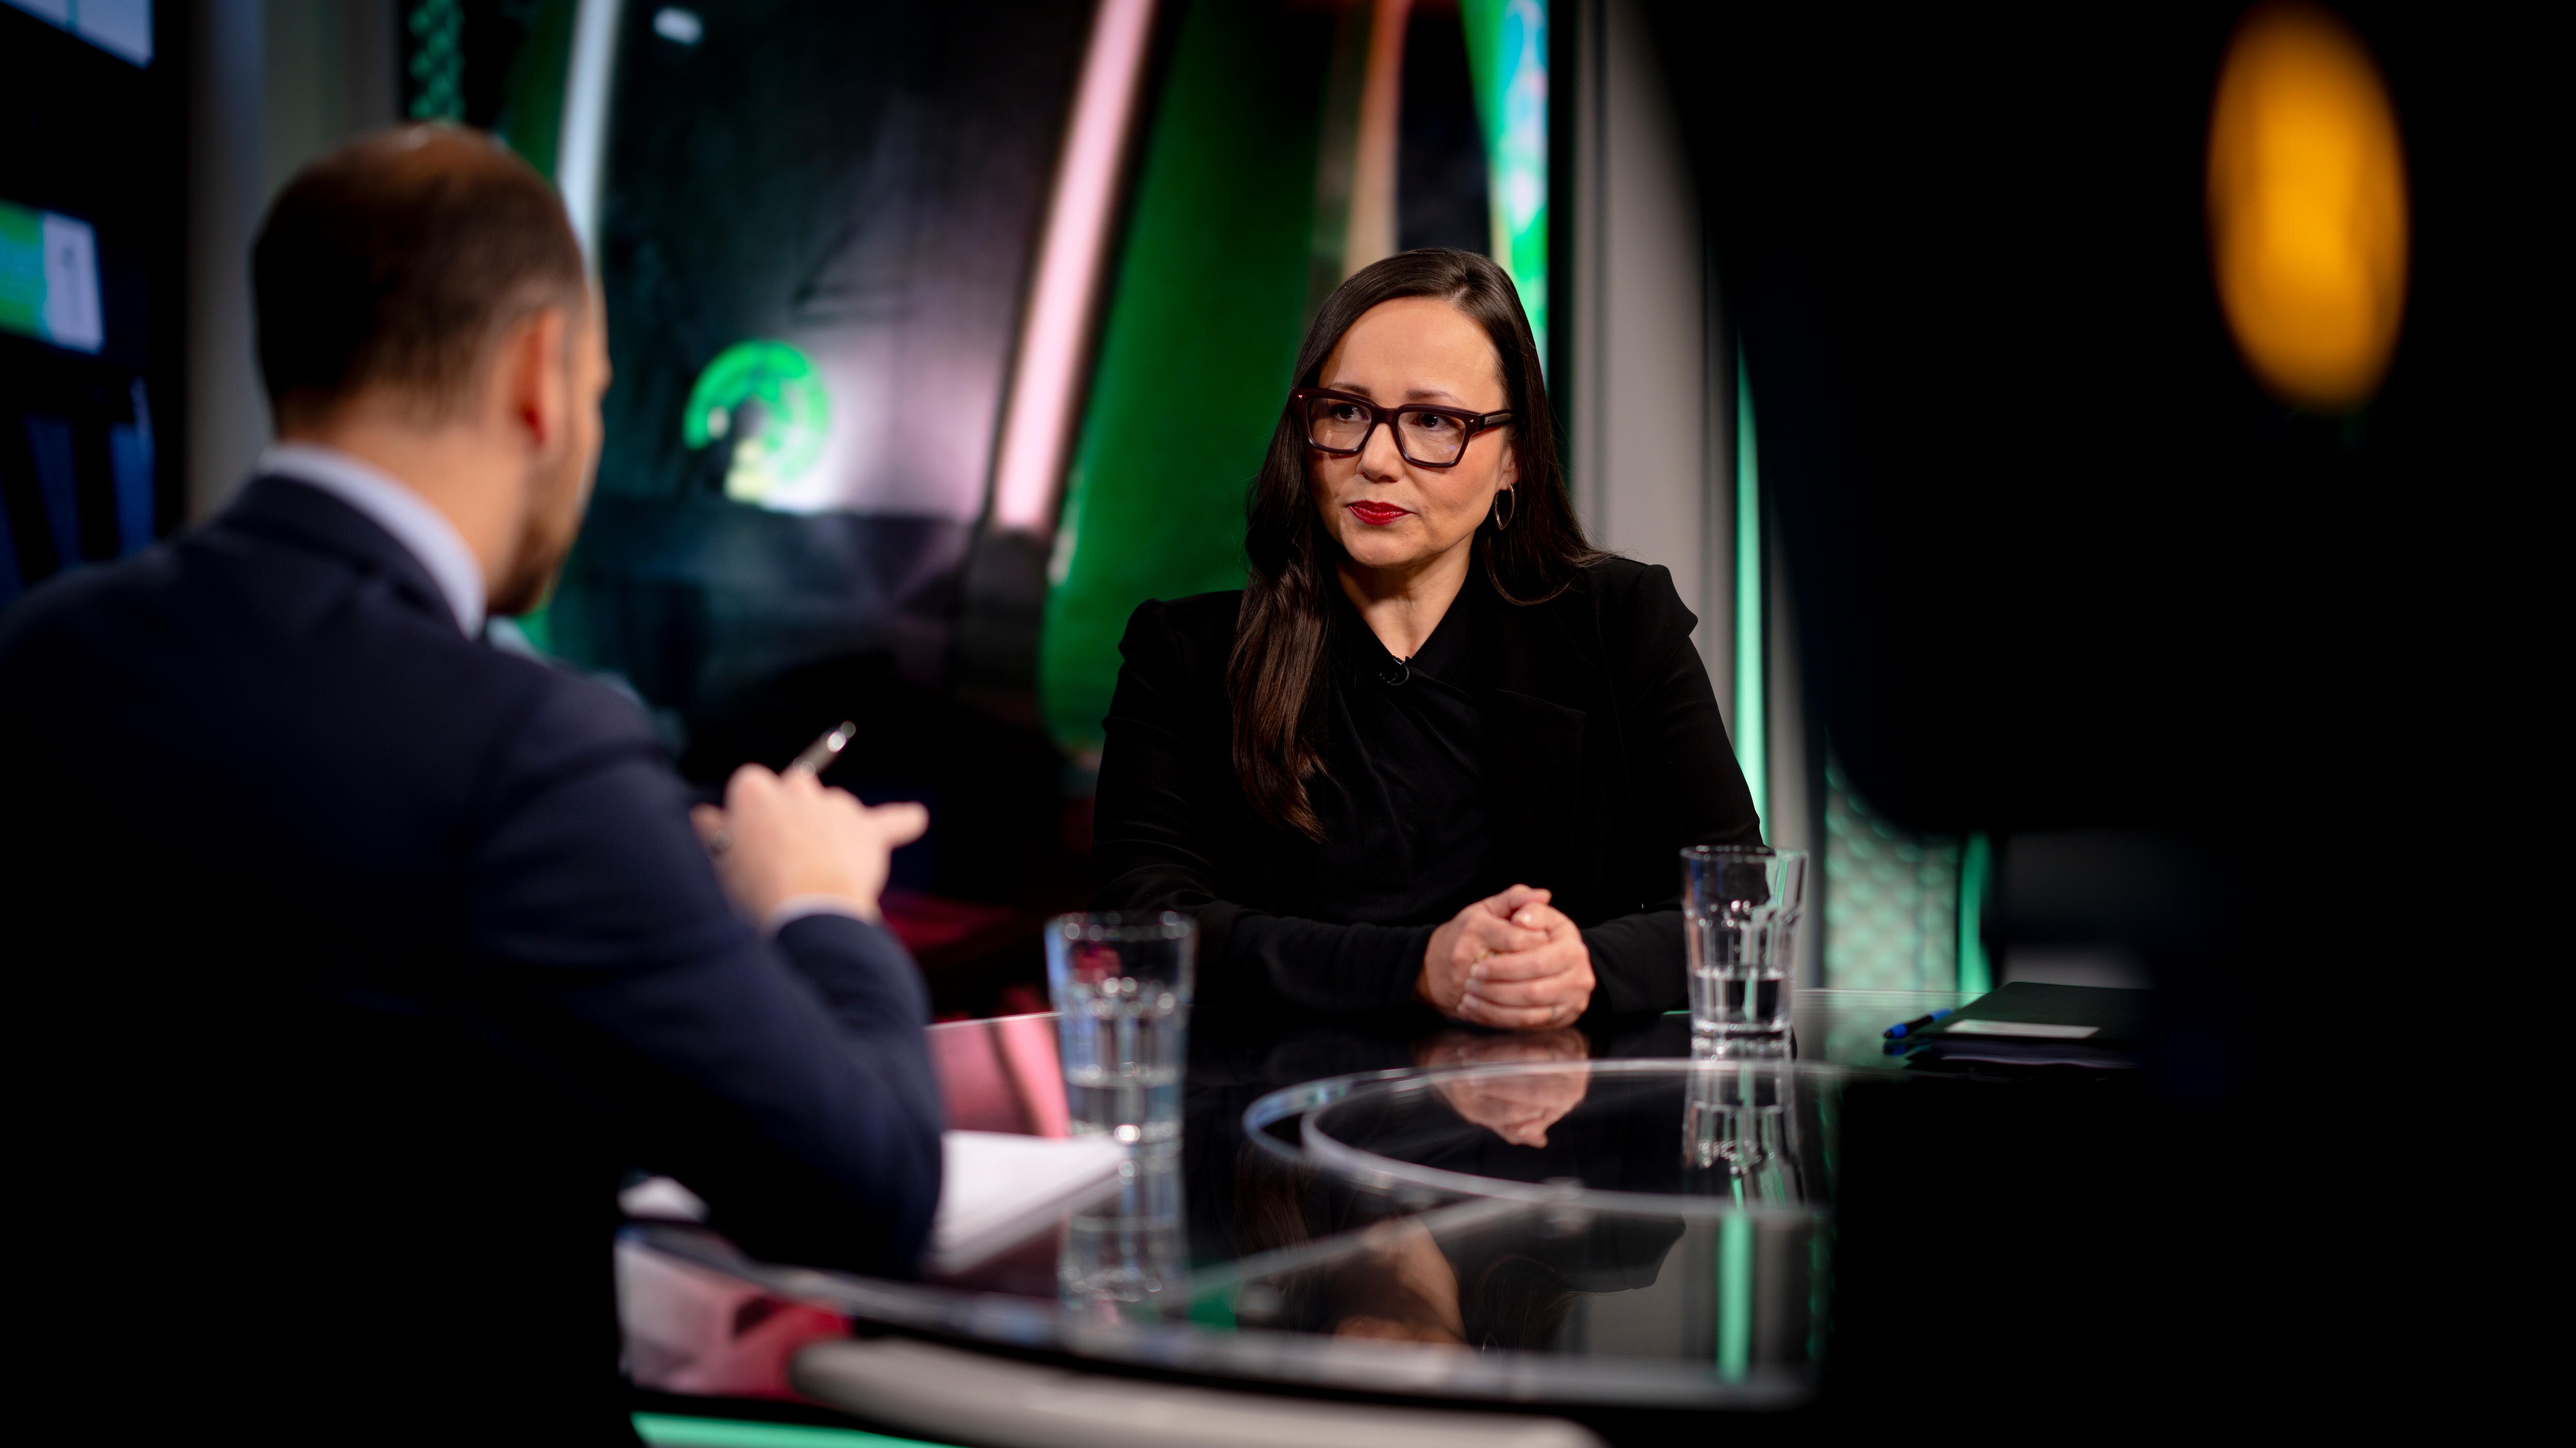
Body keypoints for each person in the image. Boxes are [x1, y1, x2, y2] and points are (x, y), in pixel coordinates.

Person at [0, 127, 939, 1442]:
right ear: (541, 373)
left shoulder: (48, 648)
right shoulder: (527, 749)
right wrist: (820, 906)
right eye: (605, 385)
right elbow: (870, 1194)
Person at [1092, 248, 1760, 1029]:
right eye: (1345, 412)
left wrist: (1587, 967)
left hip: (1555, 1126)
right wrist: (1416, 971)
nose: (1376, 461)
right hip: (1272, 1122)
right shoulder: (1185, 655)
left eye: (1434, 422)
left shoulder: (1618, 622)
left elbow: (1736, 895)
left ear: (1514, 457)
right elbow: (1142, 924)